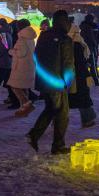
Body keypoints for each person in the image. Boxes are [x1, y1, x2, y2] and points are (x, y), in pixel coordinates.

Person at [26, 10, 75, 155]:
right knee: (62, 113)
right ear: (64, 22)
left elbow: (36, 56)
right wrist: (68, 82)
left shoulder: (44, 36)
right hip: (57, 82)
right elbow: (68, 63)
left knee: (51, 109)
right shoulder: (65, 39)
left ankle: (35, 136)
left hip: (44, 81)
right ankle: (56, 145)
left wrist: (42, 75)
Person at [68, 20, 97, 128]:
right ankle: (87, 119)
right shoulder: (78, 43)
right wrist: (86, 73)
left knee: (69, 99)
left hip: (71, 74)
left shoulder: (71, 43)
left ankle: (58, 120)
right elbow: (80, 61)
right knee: (82, 98)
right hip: (78, 75)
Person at [7, 19, 37, 116]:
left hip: (20, 67)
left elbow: (20, 53)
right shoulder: (30, 38)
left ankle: (27, 104)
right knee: (24, 88)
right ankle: (23, 110)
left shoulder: (22, 39)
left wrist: (11, 51)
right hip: (29, 66)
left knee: (15, 86)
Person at [80, 15, 99, 86]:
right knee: (92, 65)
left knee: (92, 65)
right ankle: (97, 81)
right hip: (89, 49)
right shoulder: (85, 27)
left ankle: (93, 80)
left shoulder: (89, 26)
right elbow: (98, 38)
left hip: (92, 48)